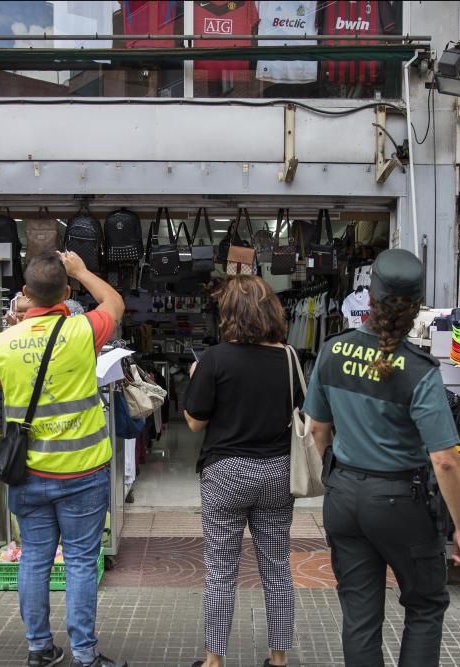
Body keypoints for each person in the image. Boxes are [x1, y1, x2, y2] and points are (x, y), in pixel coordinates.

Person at [303, 249, 460, 667]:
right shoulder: (419, 370)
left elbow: (317, 430)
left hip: (343, 498)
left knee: (360, 618)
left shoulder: (333, 351)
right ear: (416, 306)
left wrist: (340, 476)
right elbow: (446, 460)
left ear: (370, 298)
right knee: (425, 605)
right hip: (402, 503)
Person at [0, 251, 126, 667]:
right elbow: (114, 303)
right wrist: (82, 270)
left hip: (27, 473)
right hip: (83, 472)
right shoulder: (83, 331)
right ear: (67, 292)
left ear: (25, 294)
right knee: (82, 563)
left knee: (34, 559)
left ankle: (39, 649)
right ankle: (85, 654)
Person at [184, 275, 299, 667]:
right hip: (278, 472)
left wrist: (195, 379)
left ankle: (214, 660)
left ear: (228, 312)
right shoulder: (288, 356)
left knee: (220, 571)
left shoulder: (214, 358)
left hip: (226, 473)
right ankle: (278, 658)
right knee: (277, 568)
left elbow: (195, 423)